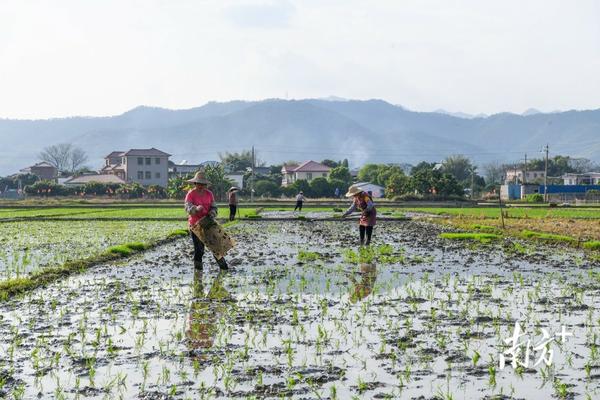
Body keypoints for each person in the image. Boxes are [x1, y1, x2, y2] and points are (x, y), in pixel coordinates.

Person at [184, 171, 228, 270]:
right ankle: (198, 270)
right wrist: (195, 208)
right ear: (195, 184)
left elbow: (214, 207)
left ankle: (224, 268)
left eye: (203, 184)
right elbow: (188, 208)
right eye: (199, 183)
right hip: (195, 225)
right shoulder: (191, 194)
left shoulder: (209, 194)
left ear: (206, 185)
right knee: (199, 249)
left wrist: (212, 212)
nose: (201, 186)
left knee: (216, 247)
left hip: (208, 222)